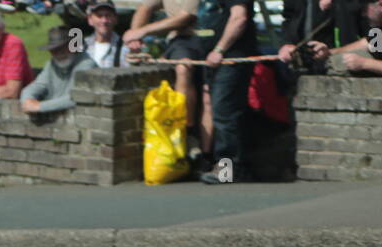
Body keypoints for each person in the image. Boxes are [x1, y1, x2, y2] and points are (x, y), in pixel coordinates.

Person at [125, 0, 205, 157]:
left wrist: (143, 31)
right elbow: (144, 8)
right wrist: (135, 36)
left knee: (191, 75)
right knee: (183, 68)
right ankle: (184, 132)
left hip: (203, 39)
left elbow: (185, 18)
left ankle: (189, 134)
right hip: (181, 41)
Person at [200, 0, 258, 184]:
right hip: (219, 59)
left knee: (225, 114)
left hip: (230, 59)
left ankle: (227, 170)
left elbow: (239, 18)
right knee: (228, 113)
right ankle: (241, 168)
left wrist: (219, 49)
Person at [20, 24, 96, 112]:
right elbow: (38, 85)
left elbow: (77, 97)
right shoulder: (52, 64)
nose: (59, 54)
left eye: (63, 48)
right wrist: (27, 100)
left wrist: (40, 106)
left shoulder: (86, 65)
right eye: (54, 50)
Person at [84, 1, 125, 67]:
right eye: (99, 16)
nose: (104, 21)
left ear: (115, 19)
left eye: (108, 15)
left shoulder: (124, 47)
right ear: (90, 20)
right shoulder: (82, 47)